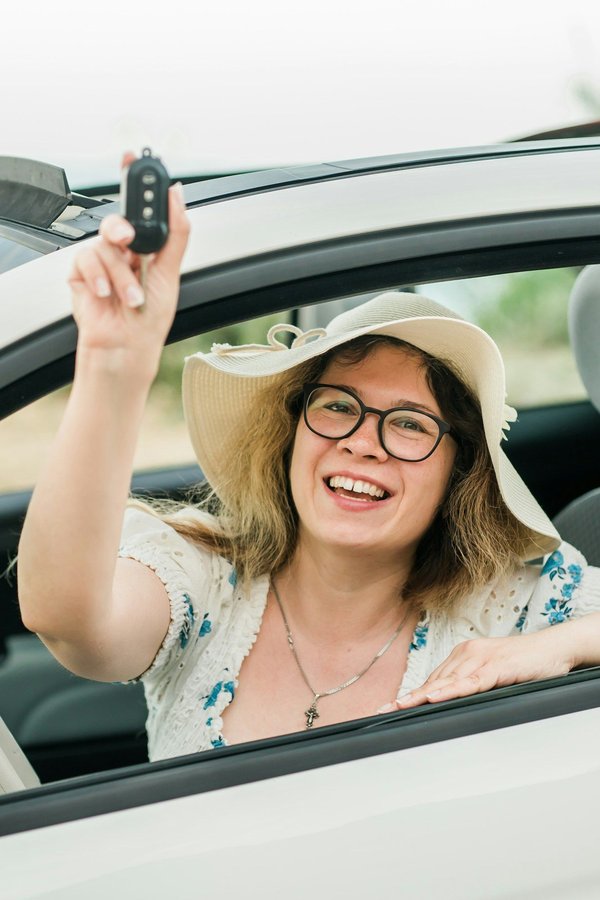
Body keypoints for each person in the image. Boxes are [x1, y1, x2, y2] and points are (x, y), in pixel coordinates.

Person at [17, 184, 600, 761]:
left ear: (458, 474)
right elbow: (65, 620)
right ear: (291, 434)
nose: (363, 444)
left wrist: (561, 646)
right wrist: (111, 365)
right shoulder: (202, 578)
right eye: (339, 407)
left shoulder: (514, 606)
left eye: (409, 425)